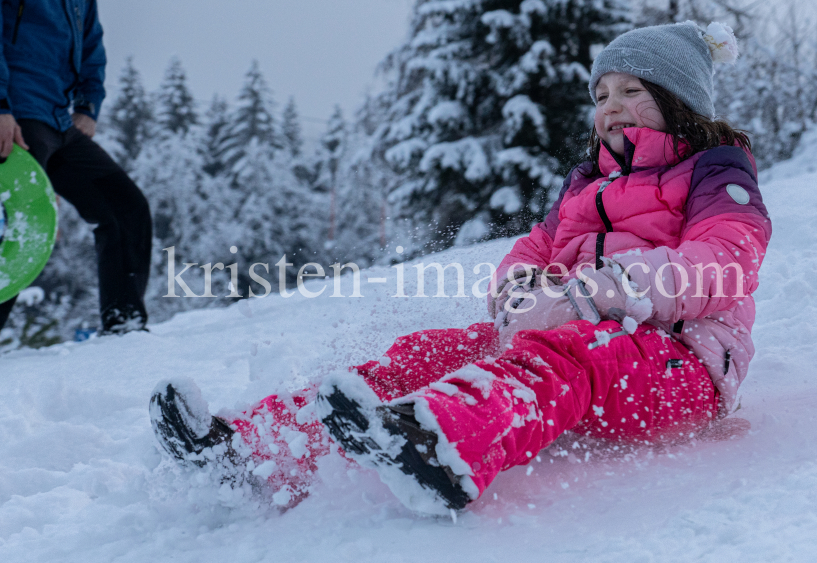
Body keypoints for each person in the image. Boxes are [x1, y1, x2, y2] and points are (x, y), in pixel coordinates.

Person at [150, 21, 771, 515]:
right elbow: (535, 246)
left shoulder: (716, 171)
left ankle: (445, 449)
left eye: (633, 89)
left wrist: (591, 296)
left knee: (583, 350)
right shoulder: (586, 183)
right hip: (562, 331)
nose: (612, 106)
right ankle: (254, 452)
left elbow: (723, 263)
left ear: (679, 99)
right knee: (433, 350)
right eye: (602, 94)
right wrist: (519, 290)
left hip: (679, 366)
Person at [0, 0, 152, 367]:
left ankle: (124, 324)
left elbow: (90, 41)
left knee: (123, 208)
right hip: (9, 114)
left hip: (58, 120)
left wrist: (88, 104)